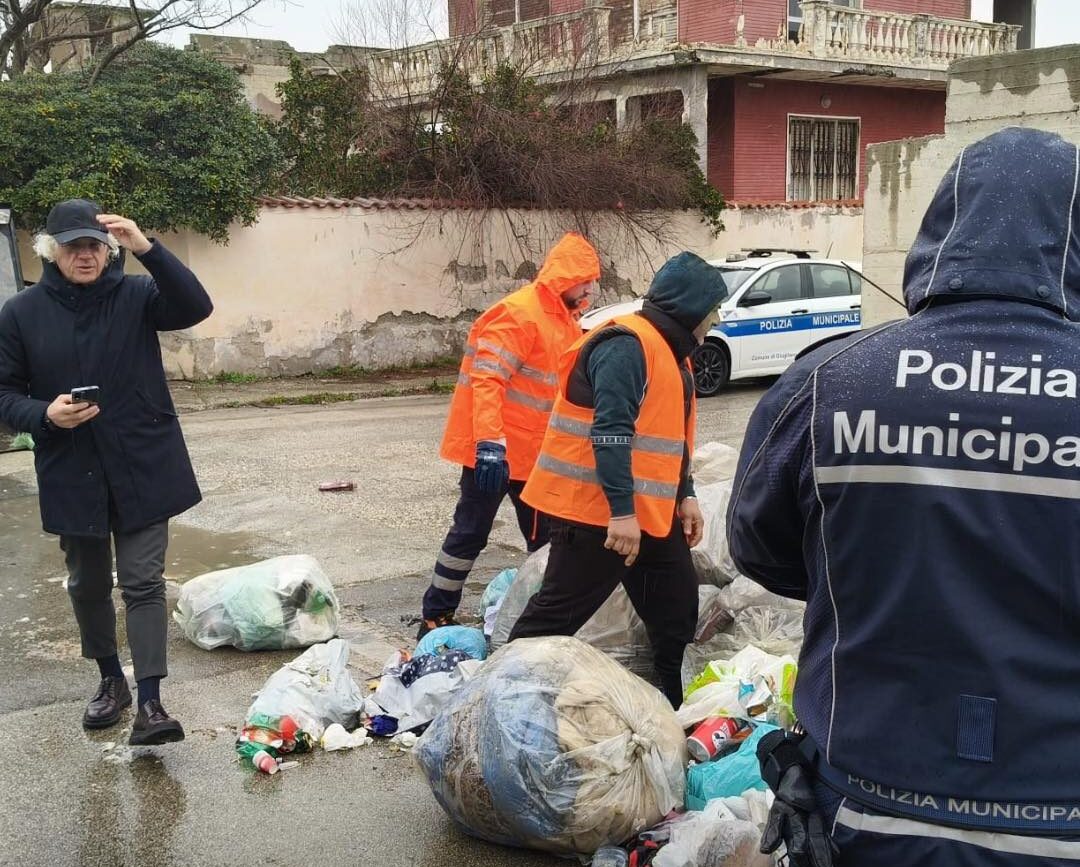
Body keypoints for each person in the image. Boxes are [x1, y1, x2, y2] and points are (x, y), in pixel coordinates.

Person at [728, 126, 1080, 866]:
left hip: (863, 804)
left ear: (945, 225)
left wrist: (874, 575)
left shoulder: (831, 381)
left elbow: (759, 547)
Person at [0, 199, 213, 746]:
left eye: (95, 245)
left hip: (143, 461)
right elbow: (4, 393)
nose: (85, 255)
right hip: (71, 468)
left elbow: (195, 305)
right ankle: (110, 680)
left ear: (109, 249)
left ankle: (151, 702)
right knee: (88, 583)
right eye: (73, 246)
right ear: (51, 251)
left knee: (143, 582)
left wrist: (147, 247)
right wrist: (44, 414)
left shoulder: (137, 295)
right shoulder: (21, 312)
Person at [509, 252, 728, 708]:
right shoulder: (626, 346)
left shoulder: (672, 353)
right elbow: (610, 433)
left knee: (676, 612)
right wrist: (622, 512)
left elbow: (668, 439)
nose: (716, 321)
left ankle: (671, 707)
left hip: (650, 518)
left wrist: (685, 494)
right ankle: (501, 699)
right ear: (691, 309)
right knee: (554, 619)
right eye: (713, 311)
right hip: (598, 517)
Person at [417, 232, 600, 638]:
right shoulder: (520, 314)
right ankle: (436, 615)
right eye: (585, 280)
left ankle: (545, 619)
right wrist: (489, 444)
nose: (590, 289)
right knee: (470, 533)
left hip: (533, 458)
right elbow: (488, 379)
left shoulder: (564, 323)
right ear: (565, 277)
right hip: (496, 455)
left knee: (547, 542)